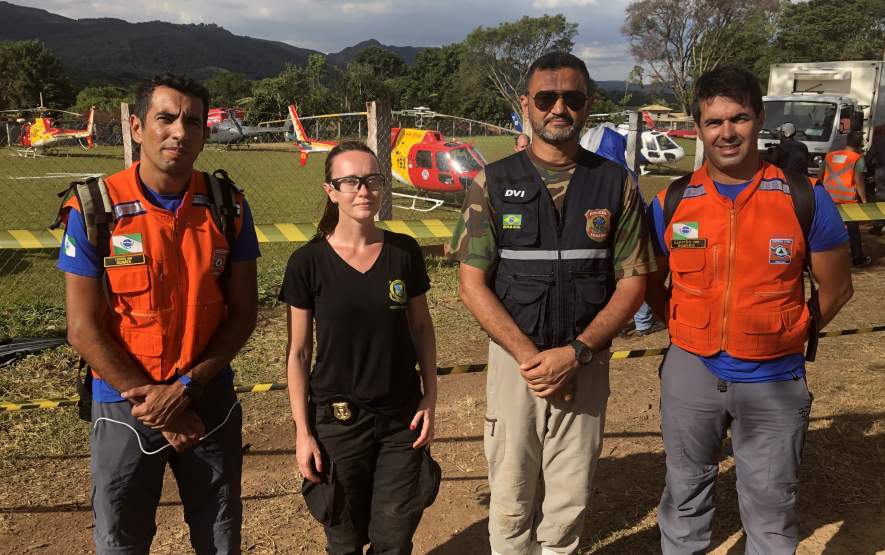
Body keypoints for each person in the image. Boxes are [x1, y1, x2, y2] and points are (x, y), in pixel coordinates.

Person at [451, 51, 654, 554]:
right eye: (546, 97)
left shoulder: (616, 183)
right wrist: (529, 357)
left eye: (572, 98)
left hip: (584, 363)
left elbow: (633, 283)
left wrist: (577, 353)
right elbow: (471, 284)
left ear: (588, 106)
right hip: (516, 365)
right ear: (527, 105)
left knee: (569, 497)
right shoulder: (491, 183)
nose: (558, 107)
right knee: (511, 495)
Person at [645, 65, 854, 554]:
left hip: (773, 378)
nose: (726, 132)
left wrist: (794, 329)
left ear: (758, 119)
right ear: (698, 127)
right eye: (714, 121)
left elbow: (838, 287)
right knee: (684, 495)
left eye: (738, 118)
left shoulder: (804, 198)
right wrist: (683, 324)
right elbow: (651, 282)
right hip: (690, 369)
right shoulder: (672, 201)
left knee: (771, 506)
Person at [57, 74, 260, 553]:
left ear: (204, 134)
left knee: (220, 536)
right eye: (165, 118)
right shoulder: (93, 209)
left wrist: (187, 389)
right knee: (121, 540)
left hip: (205, 400)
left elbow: (244, 313)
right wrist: (156, 405)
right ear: (136, 126)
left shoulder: (228, 206)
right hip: (124, 407)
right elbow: (82, 329)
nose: (179, 132)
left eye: (192, 121)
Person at [281, 141, 440, 555]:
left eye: (372, 180)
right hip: (338, 422)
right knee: (345, 537)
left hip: (400, 420)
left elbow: (421, 328)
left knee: (393, 537)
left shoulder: (403, 251)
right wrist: (303, 432)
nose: (363, 190)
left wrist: (431, 397)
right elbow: (298, 353)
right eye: (350, 181)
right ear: (331, 190)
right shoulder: (307, 262)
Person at [819, 131, 871, 266]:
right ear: (860, 143)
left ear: (847, 141)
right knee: (853, 230)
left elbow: (820, 175)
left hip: (828, 198)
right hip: (847, 200)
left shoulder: (830, 156)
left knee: (827, 229)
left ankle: (824, 258)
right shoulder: (858, 158)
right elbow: (859, 181)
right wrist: (864, 200)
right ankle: (857, 258)